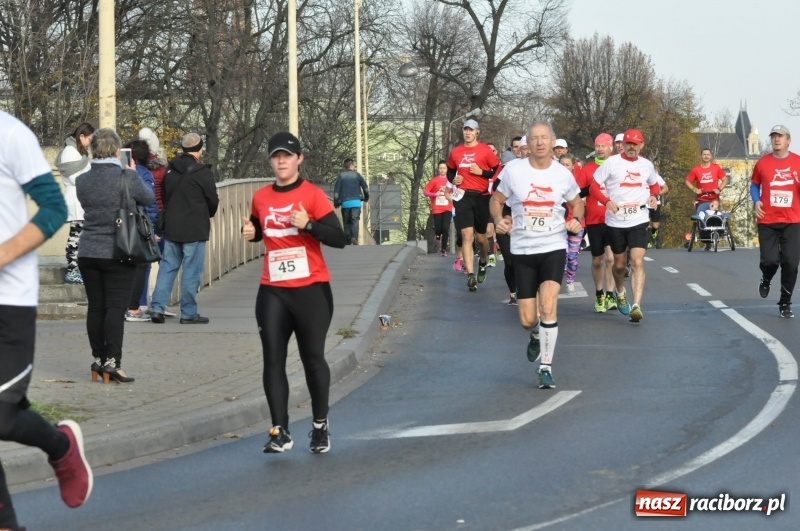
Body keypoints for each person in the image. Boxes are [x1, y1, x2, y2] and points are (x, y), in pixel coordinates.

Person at [0, 111, 92, 531]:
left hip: (9, 299)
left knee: (0, 414)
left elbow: (54, 208)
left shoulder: (10, 133)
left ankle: (60, 446)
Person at [241, 132, 347, 454]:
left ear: (299, 158)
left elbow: (340, 238)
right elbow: (260, 228)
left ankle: (319, 425)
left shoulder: (312, 195)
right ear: (271, 161)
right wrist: (251, 232)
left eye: (288, 155)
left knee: (312, 358)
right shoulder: (260, 197)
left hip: (311, 289)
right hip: (273, 290)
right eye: (276, 156)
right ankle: (280, 430)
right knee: (272, 359)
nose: (282, 161)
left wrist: (309, 225)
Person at [491, 123, 584, 389]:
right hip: (522, 250)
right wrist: (499, 219)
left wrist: (575, 219)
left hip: (553, 246)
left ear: (553, 141)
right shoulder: (513, 171)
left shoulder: (561, 174)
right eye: (535, 138)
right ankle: (535, 334)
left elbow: (577, 202)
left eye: (545, 138)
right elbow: (496, 200)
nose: (540, 142)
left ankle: (545, 367)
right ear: (527, 144)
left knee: (549, 305)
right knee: (527, 319)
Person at [76, 128, 155, 383]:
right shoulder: (127, 177)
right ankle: (113, 363)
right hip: (120, 251)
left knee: (96, 307)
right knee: (115, 308)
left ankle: (98, 360)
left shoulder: (82, 180)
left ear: (93, 149)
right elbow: (149, 197)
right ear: (117, 151)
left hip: (88, 251)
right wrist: (132, 174)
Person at [590, 129, 661, 323]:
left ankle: (636, 305)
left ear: (641, 146)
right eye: (628, 143)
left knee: (637, 261)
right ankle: (620, 291)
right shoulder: (611, 163)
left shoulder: (646, 165)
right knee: (619, 265)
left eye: (635, 144)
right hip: (615, 220)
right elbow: (593, 186)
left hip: (639, 218)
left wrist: (653, 197)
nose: (631, 147)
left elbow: (654, 185)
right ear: (623, 145)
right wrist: (605, 201)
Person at [149, 132, 220, 325]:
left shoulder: (170, 170)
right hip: (194, 228)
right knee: (191, 270)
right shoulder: (202, 172)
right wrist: (206, 213)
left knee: (168, 267)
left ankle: (157, 308)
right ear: (200, 149)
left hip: (172, 227)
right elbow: (213, 201)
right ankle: (188, 313)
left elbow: (163, 196)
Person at [751, 124, 800, 318]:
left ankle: (785, 302)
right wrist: (756, 201)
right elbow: (754, 186)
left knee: (791, 263)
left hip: (793, 221)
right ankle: (766, 278)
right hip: (768, 221)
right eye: (773, 136)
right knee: (771, 261)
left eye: (780, 136)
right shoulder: (762, 163)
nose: (776, 140)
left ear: (788, 140)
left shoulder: (797, 162)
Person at [446, 119, 500, 291]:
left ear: (477, 132)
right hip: (462, 196)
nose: (467, 133)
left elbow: (497, 170)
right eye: (465, 130)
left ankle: (483, 262)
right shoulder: (456, 152)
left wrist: (482, 173)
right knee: (466, 235)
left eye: (471, 130)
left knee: (481, 238)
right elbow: (450, 171)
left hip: (482, 197)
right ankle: (470, 275)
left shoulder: (485, 150)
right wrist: (453, 179)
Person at [579, 133, 617, 313]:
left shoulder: (617, 167)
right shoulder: (587, 169)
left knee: (611, 258)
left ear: (611, 147)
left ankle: (610, 294)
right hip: (594, 220)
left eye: (603, 146)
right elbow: (577, 193)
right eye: (597, 146)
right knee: (597, 260)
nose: (600, 149)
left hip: (614, 219)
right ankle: (599, 293)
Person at [123, 140, 159, 322]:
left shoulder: (116, 173)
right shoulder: (143, 175)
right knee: (142, 264)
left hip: (120, 227)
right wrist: (151, 229)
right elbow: (150, 203)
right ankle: (136, 306)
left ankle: (127, 305)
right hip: (137, 227)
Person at [55, 122, 95, 284]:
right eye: (90, 139)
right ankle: (72, 269)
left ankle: (76, 268)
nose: (91, 142)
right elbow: (73, 177)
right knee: (76, 236)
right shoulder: (70, 152)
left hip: (80, 199)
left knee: (79, 236)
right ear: (82, 136)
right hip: (76, 199)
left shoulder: (76, 153)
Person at [558, 153, 585, 294]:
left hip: (576, 223)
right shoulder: (552, 181)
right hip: (558, 224)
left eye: (567, 165)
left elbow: (582, 202)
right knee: (562, 253)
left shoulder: (577, 182)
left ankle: (570, 281)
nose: (564, 167)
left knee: (573, 256)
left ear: (573, 167)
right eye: (561, 164)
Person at [333, 159, 369, 245]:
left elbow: (337, 191)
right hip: (356, 202)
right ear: (352, 166)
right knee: (355, 221)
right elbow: (365, 188)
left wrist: (336, 202)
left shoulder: (341, 176)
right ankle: (354, 237)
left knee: (346, 223)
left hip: (345, 203)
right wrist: (366, 197)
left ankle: (347, 241)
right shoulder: (357, 175)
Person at [685, 147, 728, 214]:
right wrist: (695, 189)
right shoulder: (696, 169)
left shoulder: (716, 167)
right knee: (701, 218)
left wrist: (719, 189)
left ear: (710, 156)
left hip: (714, 199)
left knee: (718, 217)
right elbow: (687, 181)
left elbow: (725, 179)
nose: (706, 156)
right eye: (704, 154)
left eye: (708, 154)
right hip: (701, 200)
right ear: (701, 156)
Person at [423, 161, 452, 256]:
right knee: (439, 228)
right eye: (441, 168)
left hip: (448, 207)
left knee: (445, 228)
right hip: (437, 208)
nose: (442, 170)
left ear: (447, 169)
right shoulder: (434, 180)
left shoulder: (451, 180)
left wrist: (452, 197)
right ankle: (438, 236)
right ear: (438, 169)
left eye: (444, 168)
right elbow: (425, 192)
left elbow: (457, 191)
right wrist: (435, 194)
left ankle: (443, 250)